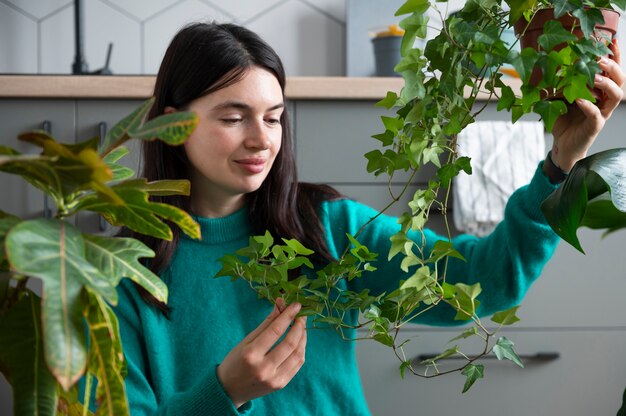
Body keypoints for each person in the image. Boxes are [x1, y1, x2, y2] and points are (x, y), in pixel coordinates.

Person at [113, 22, 624, 415]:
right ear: (172, 123)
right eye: (232, 117)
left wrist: (561, 164)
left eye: (273, 118)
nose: (261, 139)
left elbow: (485, 280)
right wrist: (223, 393)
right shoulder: (124, 274)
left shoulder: (327, 228)